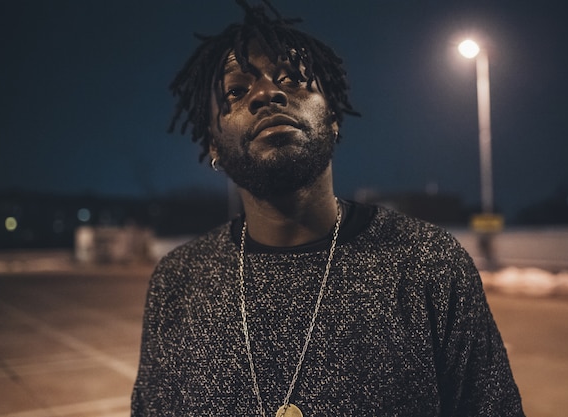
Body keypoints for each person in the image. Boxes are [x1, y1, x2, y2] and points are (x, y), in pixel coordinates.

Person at [131, 1, 524, 416]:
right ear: (213, 143)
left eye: (292, 79)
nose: (267, 93)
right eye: (237, 90)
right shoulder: (177, 283)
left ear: (333, 115)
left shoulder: (429, 265)